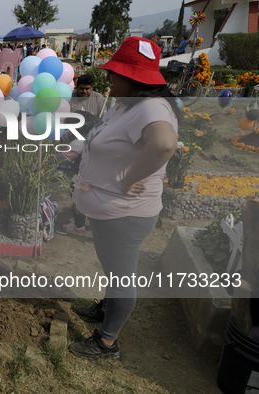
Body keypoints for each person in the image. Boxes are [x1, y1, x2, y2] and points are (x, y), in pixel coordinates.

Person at [69, 37, 178, 360]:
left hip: (125, 213)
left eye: (116, 73)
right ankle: (107, 307)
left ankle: (107, 342)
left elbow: (164, 144)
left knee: (121, 275)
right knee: (114, 269)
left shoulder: (151, 107)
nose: (109, 78)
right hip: (111, 212)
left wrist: (130, 179)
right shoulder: (128, 103)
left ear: (135, 80)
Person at [59, 111, 100, 237]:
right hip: (102, 173)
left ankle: (78, 226)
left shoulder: (79, 142)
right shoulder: (97, 131)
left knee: (75, 189)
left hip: (87, 174)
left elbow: (60, 157)